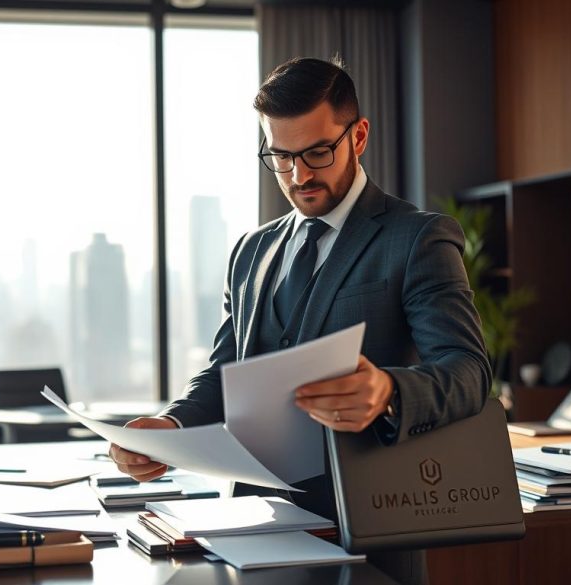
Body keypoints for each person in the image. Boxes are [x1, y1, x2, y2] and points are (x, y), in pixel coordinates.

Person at [109, 56, 491, 584]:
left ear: (358, 137)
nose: (299, 176)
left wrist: (388, 391)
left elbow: (469, 371)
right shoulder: (251, 250)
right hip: (247, 534)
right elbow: (225, 374)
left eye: (316, 152)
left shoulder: (417, 237)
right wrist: (169, 429)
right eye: (281, 157)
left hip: (368, 534)